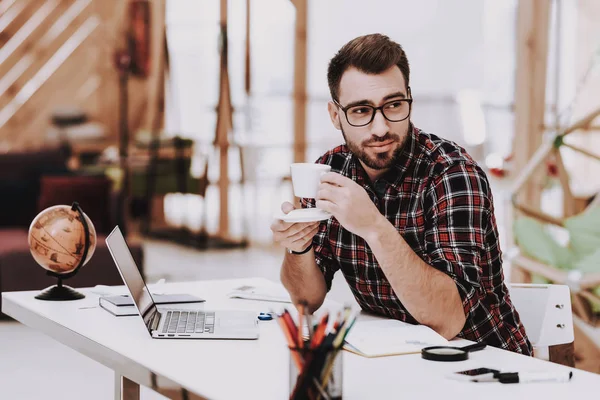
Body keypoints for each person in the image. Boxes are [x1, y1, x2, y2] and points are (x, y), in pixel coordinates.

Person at [270, 33, 532, 355]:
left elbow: (447, 322)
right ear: (336, 115)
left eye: (393, 105)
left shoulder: (452, 175)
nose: (380, 128)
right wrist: (299, 247)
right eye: (361, 111)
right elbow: (306, 300)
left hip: (483, 362)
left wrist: (374, 227)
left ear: (410, 100)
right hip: (396, 357)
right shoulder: (330, 171)